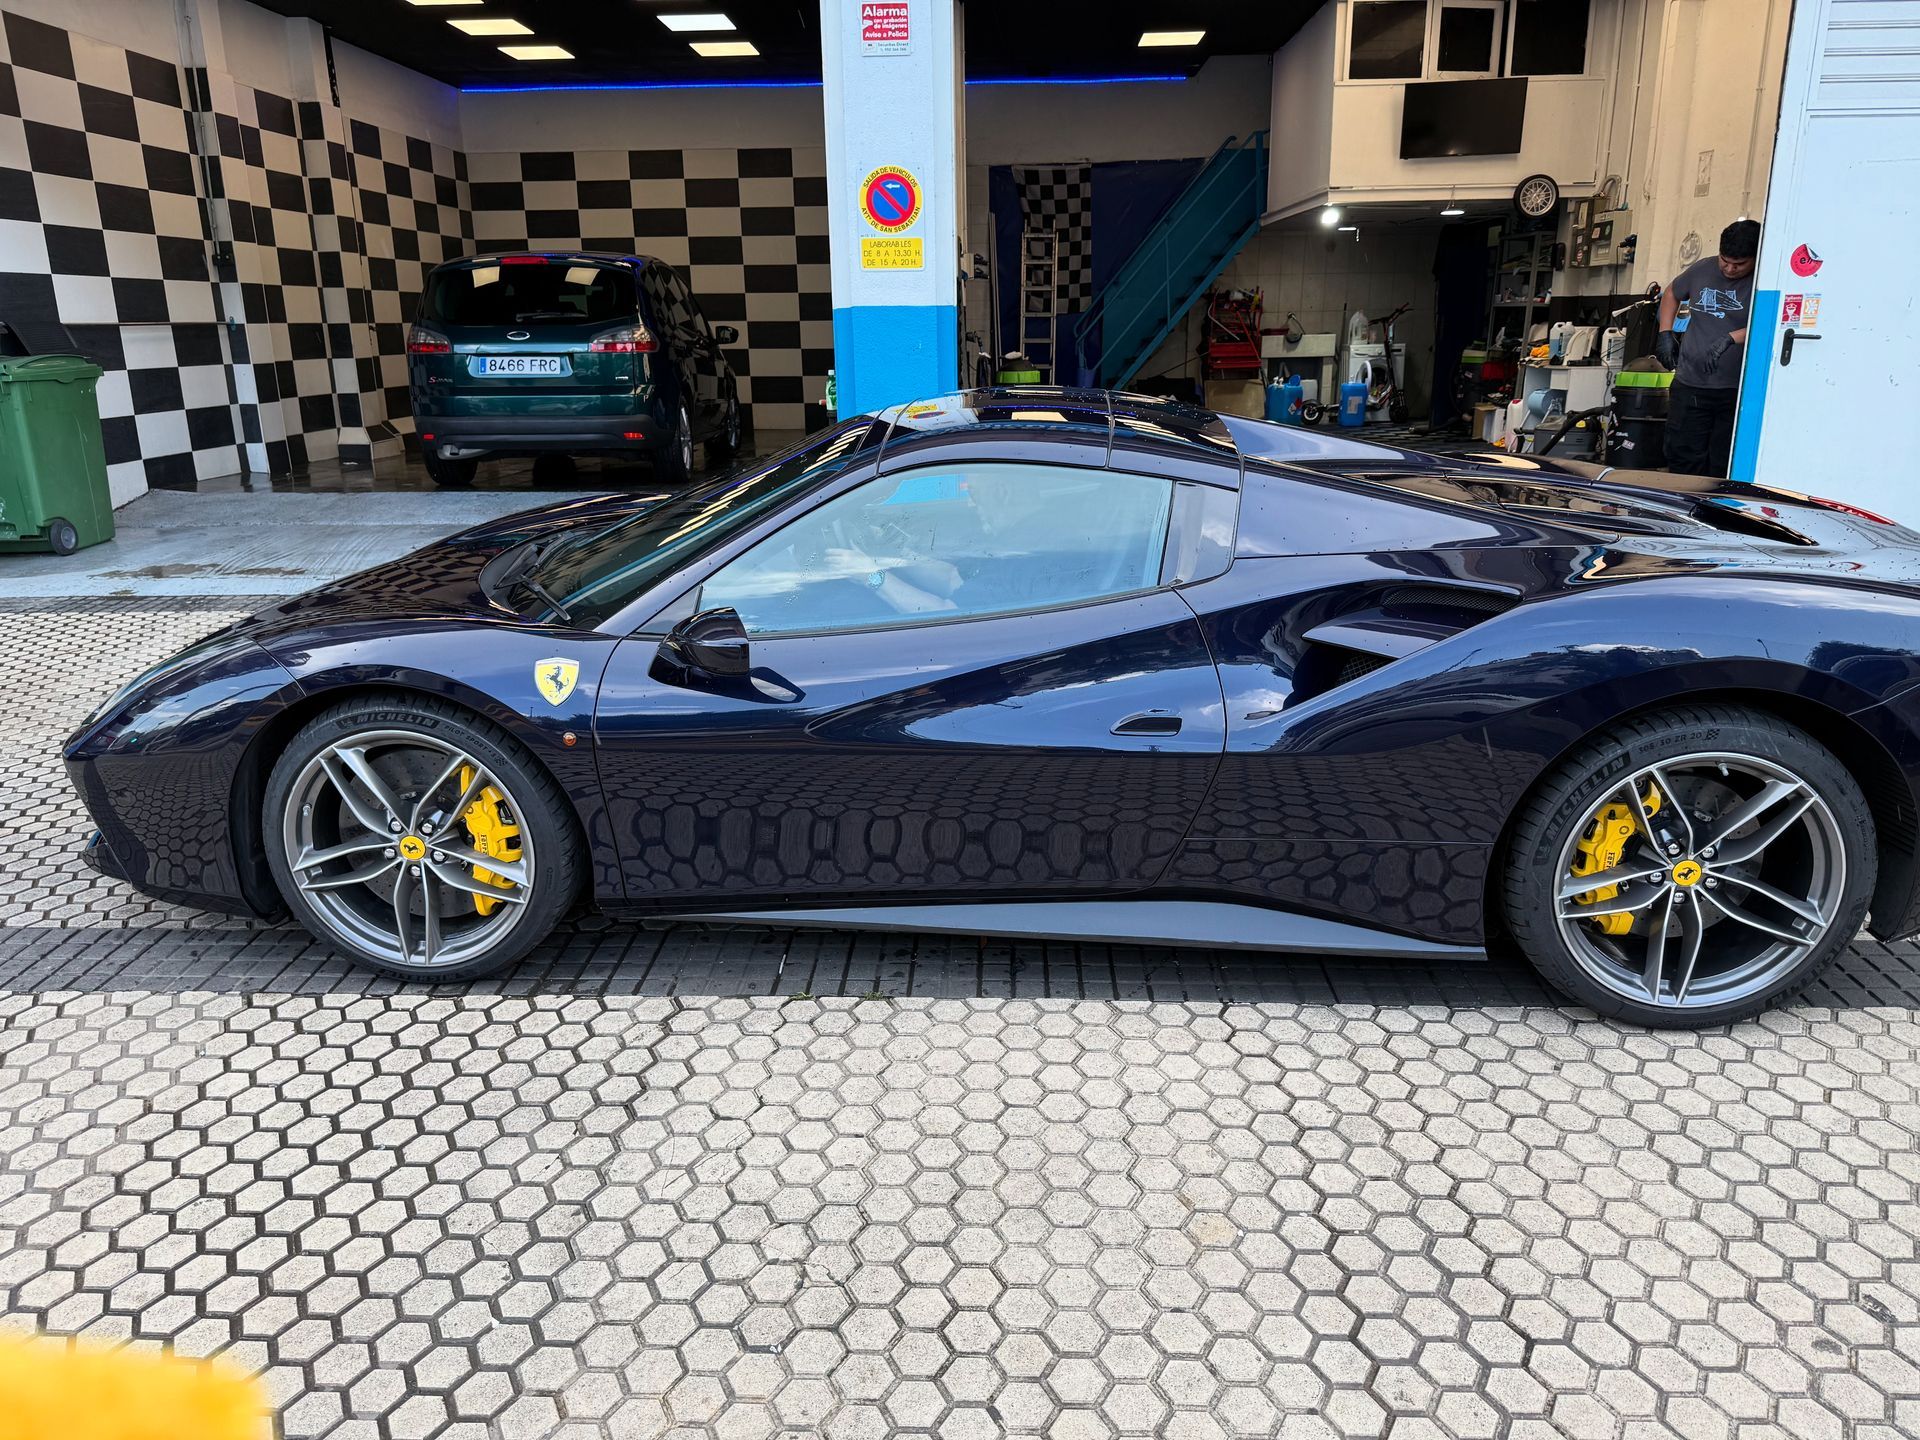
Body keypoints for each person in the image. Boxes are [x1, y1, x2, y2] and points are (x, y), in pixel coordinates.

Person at [1656, 219, 1760, 477]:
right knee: (1682, 458)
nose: (1729, 268)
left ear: (1755, 258)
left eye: (1739, 264)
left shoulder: (1763, 282)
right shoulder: (1701, 270)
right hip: (1690, 384)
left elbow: (1772, 323)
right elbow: (1671, 293)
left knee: (1722, 463)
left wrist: (1732, 337)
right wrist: (1665, 332)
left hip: (1734, 390)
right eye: (1725, 260)